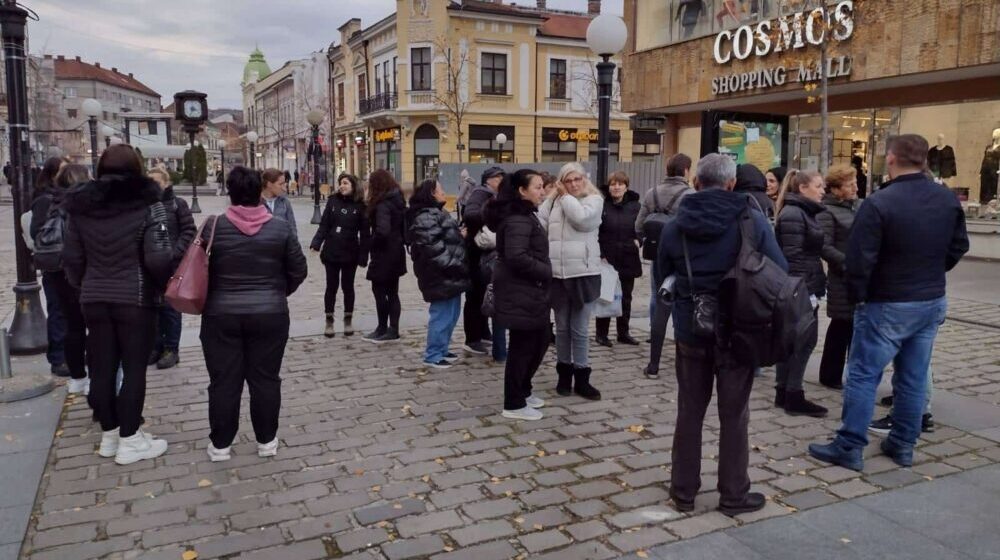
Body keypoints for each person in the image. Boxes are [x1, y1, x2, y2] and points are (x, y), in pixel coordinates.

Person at [809, 135, 968, 471]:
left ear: (892, 158)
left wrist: (860, 297)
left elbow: (859, 259)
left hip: (887, 301)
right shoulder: (946, 199)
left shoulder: (880, 202)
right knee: (912, 375)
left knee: (864, 374)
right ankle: (903, 443)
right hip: (929, 299)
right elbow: (958, 247)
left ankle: (850, 444)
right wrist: (930, 272)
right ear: (924, 160)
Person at [654, 153, 787, 516]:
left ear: (696, 182)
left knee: (689, 412)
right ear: (731, 183)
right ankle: (733, 495)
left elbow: (661, 279)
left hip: (691, 329)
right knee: (734, 415)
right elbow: (780, 269)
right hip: (739, 330)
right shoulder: (751, 221)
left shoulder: (675, 224)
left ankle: (683, 492)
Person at [62, 144, 174, 465]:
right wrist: (161, 285)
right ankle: (130, 439)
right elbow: (159, 257)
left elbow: (71, 257)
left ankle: (110, 435)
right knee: (134, 368)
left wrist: (85, 284)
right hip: (135, 299)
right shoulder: (150, 205)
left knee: (102, 366)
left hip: (94, 297)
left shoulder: (82, 207)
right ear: (137, 168)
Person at [199, 166, 307, 461]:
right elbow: (299, 270)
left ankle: (220, 445)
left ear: (230, 193)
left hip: (221, 316)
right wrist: (275, 293)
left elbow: (196, 270)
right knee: (266, 378)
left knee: (224, 380)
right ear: (259, 191)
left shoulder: (212, 226)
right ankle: (266, 441)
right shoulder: (280, 227)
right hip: (270, 315)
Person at [485, 169, 551, 421]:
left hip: (530, 289)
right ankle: (513, 403)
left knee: (541, 338)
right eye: (537, 187)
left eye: (542, 186)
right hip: (520, 289)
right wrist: (546, 270)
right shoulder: (517, 219)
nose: (542, 191)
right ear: (522, 191)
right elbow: (516, 256)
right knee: (523, 347)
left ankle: (523, 389)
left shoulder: (525, 215)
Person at [538, 162, 603, 401]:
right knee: (563, 328)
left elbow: (582, 220)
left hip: (584, 274)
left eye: (577, 179)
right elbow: (538, 224)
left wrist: (565, 197)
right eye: (568, 180)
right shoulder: (552, 201)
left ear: (584, 180)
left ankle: (583, 377)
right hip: (557, 274)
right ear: (561, 182)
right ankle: (563, 374)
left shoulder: (594, 200)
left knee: (580, 329)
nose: (574, 184)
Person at [773, 169, 828, 417]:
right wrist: (805, 292)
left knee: (794, 339)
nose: (823, 190)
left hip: (804, 284)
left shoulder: (801, 212)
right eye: (818, 185)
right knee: (804, 340)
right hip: (801, 287)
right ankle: (792, 394)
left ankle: (785, 391)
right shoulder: (794, 214)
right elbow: (793, 257)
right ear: (802, 188)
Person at [32, 164, 90, 394]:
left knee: (72, 325)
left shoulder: (49, 202)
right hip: (83, 272)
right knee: (93, 327)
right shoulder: (89, 206)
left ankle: (77, 377)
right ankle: (92, 376)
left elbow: (37, 234)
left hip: (58, 271)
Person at [637, 153, 695, 380]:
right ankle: (683, 351)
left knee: (657, 298)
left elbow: (639, 225)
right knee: (683, 302)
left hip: (658, 256)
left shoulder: (653, 193)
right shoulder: (690, 195)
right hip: (683, 259)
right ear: (686, 171)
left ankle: (654, 353)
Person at [406, 179, 471, 368]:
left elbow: (445, 238)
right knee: (441, 316)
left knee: (451, 315)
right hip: (440, 275)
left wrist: (459, 235)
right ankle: (433, 354)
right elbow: (432, 248)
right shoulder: (426, 216)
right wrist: (454, 265)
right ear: (432, 193)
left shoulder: (437, 213)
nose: (444, 192)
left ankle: (442, 349)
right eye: (440, 189)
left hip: (451, 275)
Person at [146, 169, 196, 370]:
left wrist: (175, 252)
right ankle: (155, 346)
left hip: (172, 265)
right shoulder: (145, 205)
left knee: (171, 309)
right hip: (150, 266)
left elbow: (189, 231)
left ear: (166, 183)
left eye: (157, 182)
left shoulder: (178, 204)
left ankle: (171, 349)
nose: (153, 185)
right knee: (153, 309)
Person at [310, 172, 370, 338]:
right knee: (331, 286)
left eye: (345, 183)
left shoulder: (361, 206)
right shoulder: (332, 201)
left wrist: (364, 255)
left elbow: (365, 234)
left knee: (348, 287)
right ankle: (329, 320)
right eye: (340, 183)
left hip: (350, 251)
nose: (342, 186)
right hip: (332, 251)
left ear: (353, 186)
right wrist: (316, 243)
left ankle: (348, 319)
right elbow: (324, 225)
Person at [817, 164, 859, 389]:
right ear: (835, 189)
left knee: (852, 326)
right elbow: (824, 246)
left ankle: (851, 374)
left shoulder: (856, 207)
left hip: (858, 276)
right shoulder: (827, 211)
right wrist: (847, 263)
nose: (855, 187)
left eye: (855, 183)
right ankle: (830, 375)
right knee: (841, 325)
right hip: (842, 277)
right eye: (849, 184)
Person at [31, 156, 69, 376]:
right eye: (63, 170)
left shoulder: (66, 197)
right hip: (55, 264)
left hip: (68, 263)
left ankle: (69, 352)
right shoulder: (45, 199)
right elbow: (38, 231)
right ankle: (58, 357)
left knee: (70, 311)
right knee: (57, 309)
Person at [461, 166, 505, 355]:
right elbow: (470, 216)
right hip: (476, 254)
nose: (502, 180)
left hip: (482, 254)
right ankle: (472, 339)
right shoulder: (481, 193)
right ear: (489, 179)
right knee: (475, 296)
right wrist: (492, 214)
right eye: (499, 177)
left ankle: (483, 332)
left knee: (482, 295)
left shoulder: (490, 194)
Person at [595, 170, 641, 347]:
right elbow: (595, 231)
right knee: (606, 295)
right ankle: (602, 334)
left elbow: (641, 226)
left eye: (620, 184)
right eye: (613, 184)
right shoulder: (602, 205)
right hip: (607, 257)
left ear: (626, 186)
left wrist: (639, 240)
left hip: (628, 256)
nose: (616, 187)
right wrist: (600, 254)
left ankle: (624, 332)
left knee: (626, 297)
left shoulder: (635, 206)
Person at [363, 170, 407, 343]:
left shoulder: (382, 204)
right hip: (397, 251)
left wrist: (370, 244)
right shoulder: (397, 200)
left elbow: (382, 231)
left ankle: (382, 328)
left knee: (379, 291)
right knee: (393, 292)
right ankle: (393, 328)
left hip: (384, 254)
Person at [261, 168, 297, 239]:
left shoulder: (284, 202)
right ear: (269, 184)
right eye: (280, 184)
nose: (284, 188)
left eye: (284, 183)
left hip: (282, 246)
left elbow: (292, 228)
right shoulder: (256, 202)